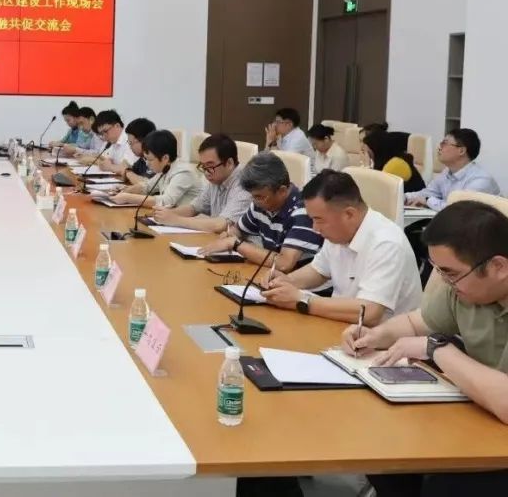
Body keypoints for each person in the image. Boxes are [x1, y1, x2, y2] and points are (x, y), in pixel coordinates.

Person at [341, 200, 508, 495]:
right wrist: (376, 335)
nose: (444, 281)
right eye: (438, 271)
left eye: (451, 273)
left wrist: (438, 349)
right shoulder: (465, 288)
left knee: (450, 485)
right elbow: (419, 323)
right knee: (387, 454)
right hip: (483, 414)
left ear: (498, 267)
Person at [260, 170, 422, 324]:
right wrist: (287, 281)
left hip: (381, 338)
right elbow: (318, 271)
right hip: (341, 325)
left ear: (349, 214)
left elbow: (369, 312)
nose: (315, 228)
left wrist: (301, 300)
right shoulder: (339, 231)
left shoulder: (387, 243)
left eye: (319, 220)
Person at [198, 152, 323, 273]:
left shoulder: (304, 211)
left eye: (259, 197)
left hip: (301, 283)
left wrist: (236, 244)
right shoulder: (261, 203)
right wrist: (227, 236)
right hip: (271, 277)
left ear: (282, 191)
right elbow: (237, 230)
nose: (255, 202)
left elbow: (284, 264)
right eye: (253, 196)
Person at [152, 134, 252, 233]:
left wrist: (176, 220)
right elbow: (194, 208)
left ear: (229, 163)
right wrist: (165, 214)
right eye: (203, 167)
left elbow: (221, 225)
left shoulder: (245, 183)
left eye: (210, 166)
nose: (206, 173)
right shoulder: (217, 178)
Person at [406, 128, 501, 211]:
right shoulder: (447, 172)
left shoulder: (480, 180)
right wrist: (404, 197)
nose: (439, 147)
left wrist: (428, 200)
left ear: (461, 151)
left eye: (444, 143)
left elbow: (457, 209)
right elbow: (427, 193)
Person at [109, 130, 203, 209]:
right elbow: (146, 187)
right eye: (146, 159)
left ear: (165, 158)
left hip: (191, 222)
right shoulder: (165, 168)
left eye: (150, 159)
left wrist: (128, 198)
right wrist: (125, 191)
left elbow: (166, 202)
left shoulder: (183, 173)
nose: (147, 163)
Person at [78, 109, 137, 173]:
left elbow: (126, 168)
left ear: (117, 126)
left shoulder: (129, 140)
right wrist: (94, 158)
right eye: (101, 134)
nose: (104, 137)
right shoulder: (111, 142)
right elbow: (104, 159)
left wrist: (107, 165)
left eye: (105, 131)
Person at [122, 118, 157, 184]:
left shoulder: (157, 160)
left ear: (143, 141)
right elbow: (129, 176)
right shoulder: (142, 160)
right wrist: (126, 169)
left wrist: (127, 172)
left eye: (131, 143)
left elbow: (146, 184)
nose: (130, 147)